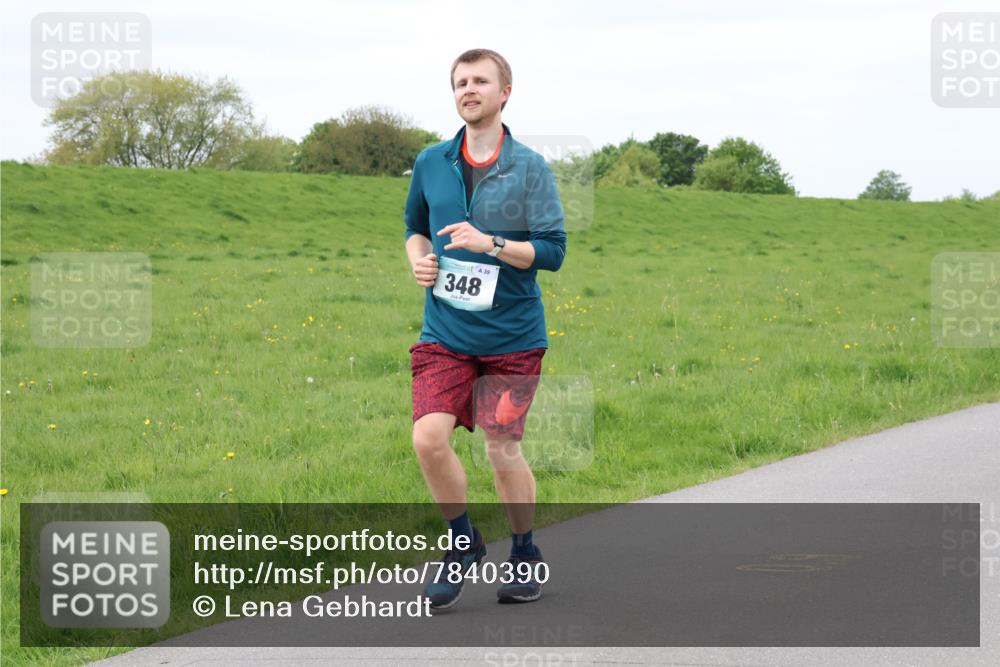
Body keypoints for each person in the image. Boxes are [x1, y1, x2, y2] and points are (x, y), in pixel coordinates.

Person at [403, 48, 566, 609]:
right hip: (445, 332)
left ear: (504, 93)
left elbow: (552, 252)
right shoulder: (431, 161)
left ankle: (523, 552)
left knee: (501, 450)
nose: (467, 89)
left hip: (512, 338)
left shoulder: (529, 168)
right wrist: (418, 260)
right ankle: (463, 542)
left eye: (479, 81)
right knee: (427, 438)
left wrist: (491, 242)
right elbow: (414, 228)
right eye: (459, 82)